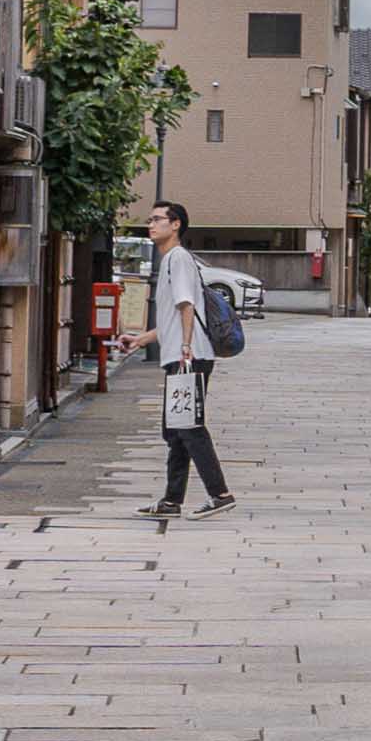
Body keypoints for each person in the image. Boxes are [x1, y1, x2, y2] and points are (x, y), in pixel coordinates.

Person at [144, 203, 234, 523]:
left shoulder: (178, 258)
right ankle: (171, 500)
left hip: (189, 356)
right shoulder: (174, 259)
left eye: (157, 219)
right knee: (176, 429)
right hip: (185, 354)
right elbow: (172, 317)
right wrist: (140, 340)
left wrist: (184, 347)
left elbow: (186, 306)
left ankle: (220, 494)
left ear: (176, 224)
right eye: (150, 220)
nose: (150, 224)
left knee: (189, 427)